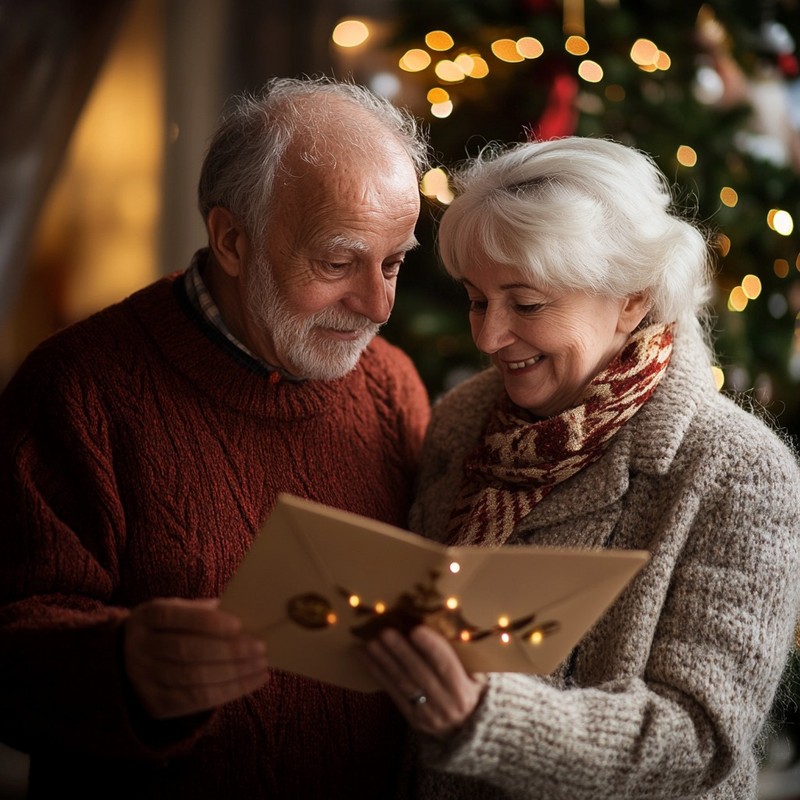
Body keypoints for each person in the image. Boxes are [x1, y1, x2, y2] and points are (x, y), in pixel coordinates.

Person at [0, 76, 431, 798]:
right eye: (337, 262)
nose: (377, 305)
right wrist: (121, 668)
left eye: (394, 263)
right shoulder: (77, 388)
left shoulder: (391, 384)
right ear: (232, 240)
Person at [362, 136, 800, 798]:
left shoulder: (738, 470)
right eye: (477, 299)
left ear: (631, 297)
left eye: (527, 304)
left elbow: (699, 739)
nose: (488, 336)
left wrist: (487, 717)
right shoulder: (461, 422)